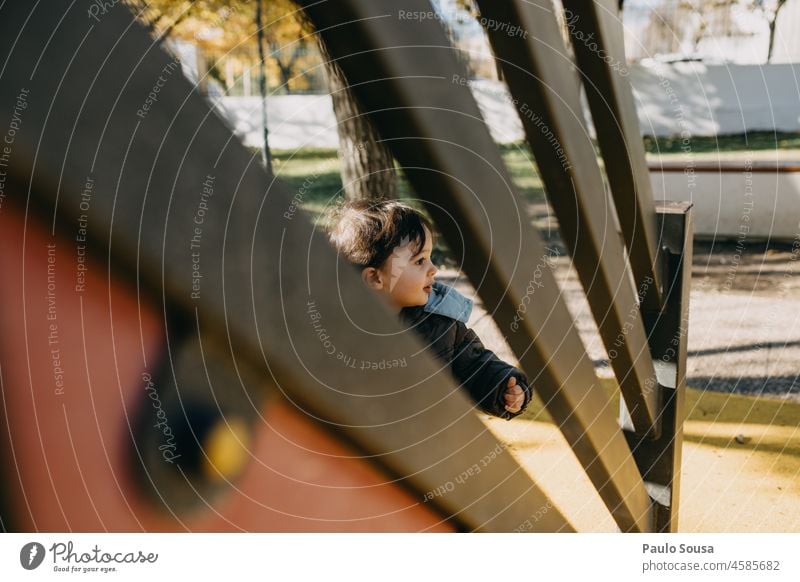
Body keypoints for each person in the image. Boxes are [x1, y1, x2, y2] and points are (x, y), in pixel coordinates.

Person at [327, 199, 531, 420]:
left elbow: (474, 366)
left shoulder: (441, 323)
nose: (433, 269)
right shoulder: (339, 334)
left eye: (430, 258)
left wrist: (502, 387)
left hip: (429, 438)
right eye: (419, 261)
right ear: (375, 278)